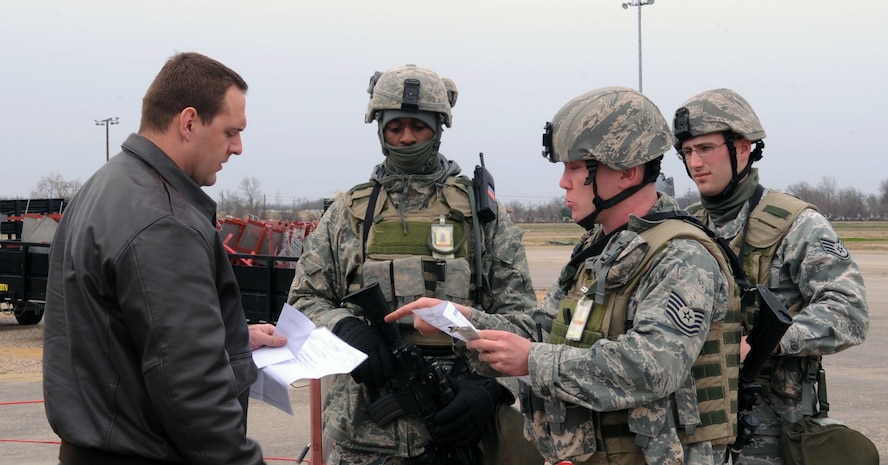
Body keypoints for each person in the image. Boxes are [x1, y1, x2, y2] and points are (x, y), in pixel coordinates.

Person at [389, 86, 742, 465]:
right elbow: (547, 331)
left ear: (627, 172)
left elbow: (654, 367)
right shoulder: (599, 248)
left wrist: (533, 361)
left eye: (576, 168)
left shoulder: (682, 255)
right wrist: (463, 324)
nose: (563, 182)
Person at [286, 64, 541, 465]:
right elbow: (302, 302)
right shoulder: (349, 213)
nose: (406, 138)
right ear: (380, 130)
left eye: (418, 127)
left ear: (438, 128)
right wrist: (345, 328)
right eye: (395, 127)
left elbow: (523, 321)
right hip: (363, 438)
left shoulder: (481, 215)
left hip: (457, 427)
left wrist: (487, 389)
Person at [43, 51, 285, 465]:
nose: (238, 148)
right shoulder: (163, 221)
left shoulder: (103, 187)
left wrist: (228, 336)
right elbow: (191, 389)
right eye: (231, 131)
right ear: (189, 122)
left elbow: (125, 329)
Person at [671, 88, 869, 464]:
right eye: (687, 152)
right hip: (697, 430)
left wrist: (765, 341)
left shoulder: (797, 224)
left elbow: (850, 312)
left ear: (742, 148)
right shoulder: (687, 226)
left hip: (773, 431)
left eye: (706, 149)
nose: (694, 162)